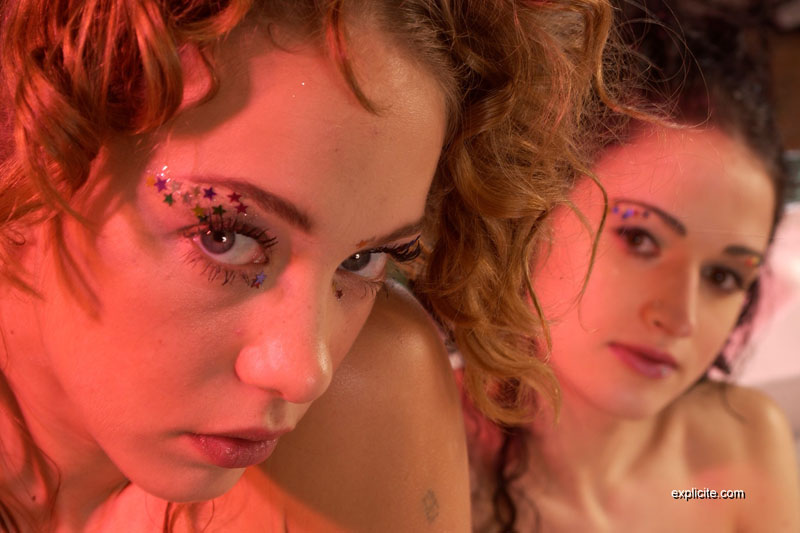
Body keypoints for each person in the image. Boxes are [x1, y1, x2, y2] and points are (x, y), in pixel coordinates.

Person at [0, 0, 620, 530]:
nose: (304, 373)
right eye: (225, 237)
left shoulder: (364, 394)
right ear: (40, 150)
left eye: (363, 259)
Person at [467, 5, 800, 532]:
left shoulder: (735, 460)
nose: (680, 318)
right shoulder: (428, 464)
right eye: (640, 238)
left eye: (723, 277)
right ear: (531, 211)